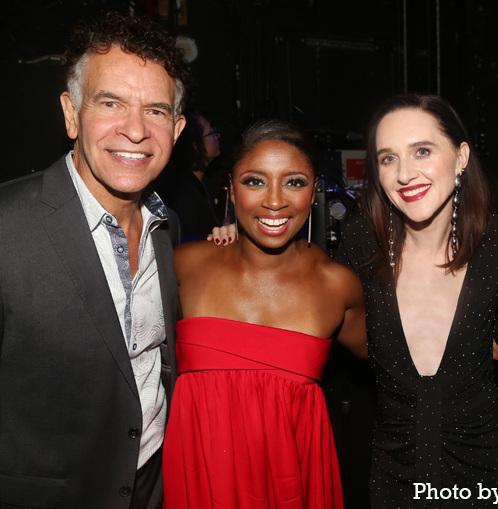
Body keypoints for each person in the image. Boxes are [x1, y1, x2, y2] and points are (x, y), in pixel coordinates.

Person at [0, 12, 188, 508]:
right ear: (70, 112)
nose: (135, 130)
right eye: (111, 103)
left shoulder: (168, 231)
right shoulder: (6, 227)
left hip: (151, 485)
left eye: (156, 111)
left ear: (178, 127)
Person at [162, 119, 367, 508]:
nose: (275, 201)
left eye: (294, 182)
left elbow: (396, 365)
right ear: (232, 190)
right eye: (255, 181)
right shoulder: (185, 264)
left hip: (292, 482)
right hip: (201, 477)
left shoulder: (337, 285)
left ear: (314, 191)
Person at [335, 94, 498, 508]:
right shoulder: (360, 240)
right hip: (393, 473)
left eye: (422, 151)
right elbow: (306, 292)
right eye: (387, 158)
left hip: (487, 469)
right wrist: (237, 243)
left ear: (460, 157)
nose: (405, 174)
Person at [155, 109, 222, 242]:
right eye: (212, 132)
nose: (217, 136)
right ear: (196, 145)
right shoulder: (180, 191)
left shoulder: (204, 183)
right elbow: (186, 240)